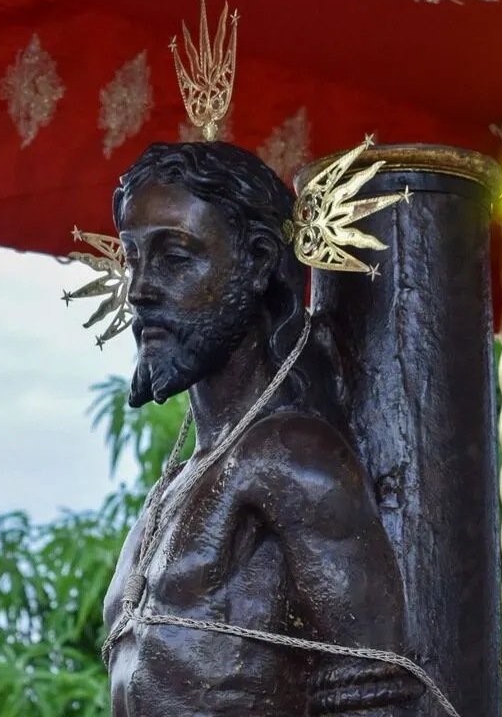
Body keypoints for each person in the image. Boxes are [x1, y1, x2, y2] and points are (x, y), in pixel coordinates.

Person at [102, 141, 426, 715]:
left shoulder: (289, 453)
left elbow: (374, 691)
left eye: (174, 258)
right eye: (133, 258)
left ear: (256, 262)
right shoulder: (178, 479)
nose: (140, 290)